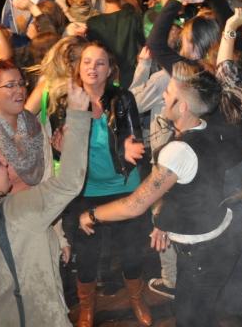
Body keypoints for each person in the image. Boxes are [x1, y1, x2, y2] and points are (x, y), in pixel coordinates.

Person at [79, 62, 241, 327]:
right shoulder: (205, 128)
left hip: (203, 254)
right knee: (199, 311)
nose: (164, 95)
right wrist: (164, 221)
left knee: (191, 319)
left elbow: (134, 205)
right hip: (216, 242)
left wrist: (92, 215)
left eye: (169, 92)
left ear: (183, 106)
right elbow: (188, 187)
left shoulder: (178, 151)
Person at [0, 79, 92, 327]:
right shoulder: (15, 212)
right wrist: (79, 116)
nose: (6, 163)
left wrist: (57, 240)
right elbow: (68, 182)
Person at [66, 41, 150, 327]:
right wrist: (57, 147)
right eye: (87, 61)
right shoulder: (67, 100)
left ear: (109, 69)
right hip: (86, 189)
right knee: (87, 255)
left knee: (132, 251)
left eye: (100, 63)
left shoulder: (122, 98)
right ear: (78, 67)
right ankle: (87, 307)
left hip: (124, 185)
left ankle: (137, 299)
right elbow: (59, 149)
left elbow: (134, 135)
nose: (93, 67)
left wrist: (130, 148)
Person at [86, 0, 144, 88]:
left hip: (104, 78)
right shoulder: (133, 18)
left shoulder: (93, 24)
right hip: (131, 76)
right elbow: (144, 43)